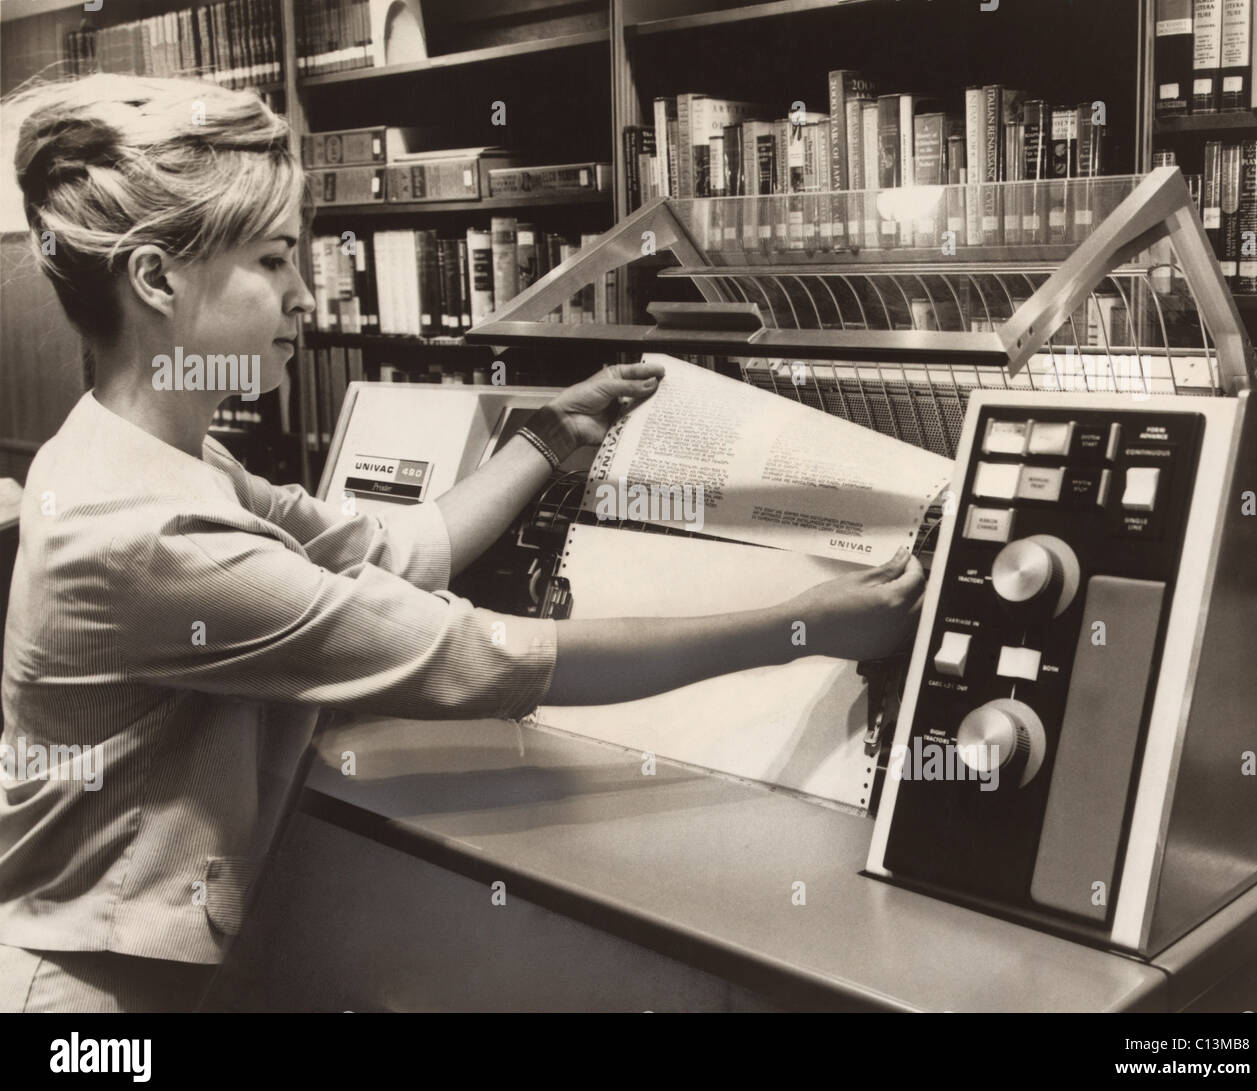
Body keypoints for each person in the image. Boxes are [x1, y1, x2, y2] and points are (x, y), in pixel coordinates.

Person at [0, 73, 926, 1012]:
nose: (305, 297)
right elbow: (474, 655)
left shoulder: (145, 455)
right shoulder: (148, 534)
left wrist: (544, 442)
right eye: (275, 261)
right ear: (156, 278)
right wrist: (804, 625)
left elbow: (391, 549)